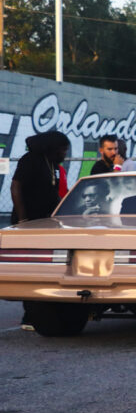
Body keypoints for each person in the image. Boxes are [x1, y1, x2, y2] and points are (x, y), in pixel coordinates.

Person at [11, 130, 71, 331]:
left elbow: (54, 192)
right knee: (31, 267)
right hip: (29, 221)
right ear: (52, 148)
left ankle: (42, 310)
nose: (65, 154)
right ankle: (29, 315)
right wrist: (22, 219)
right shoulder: (31, 160)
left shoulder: (53, 165)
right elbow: (16, 187)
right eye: (62, 150)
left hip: (48, 223)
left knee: (47, 267)